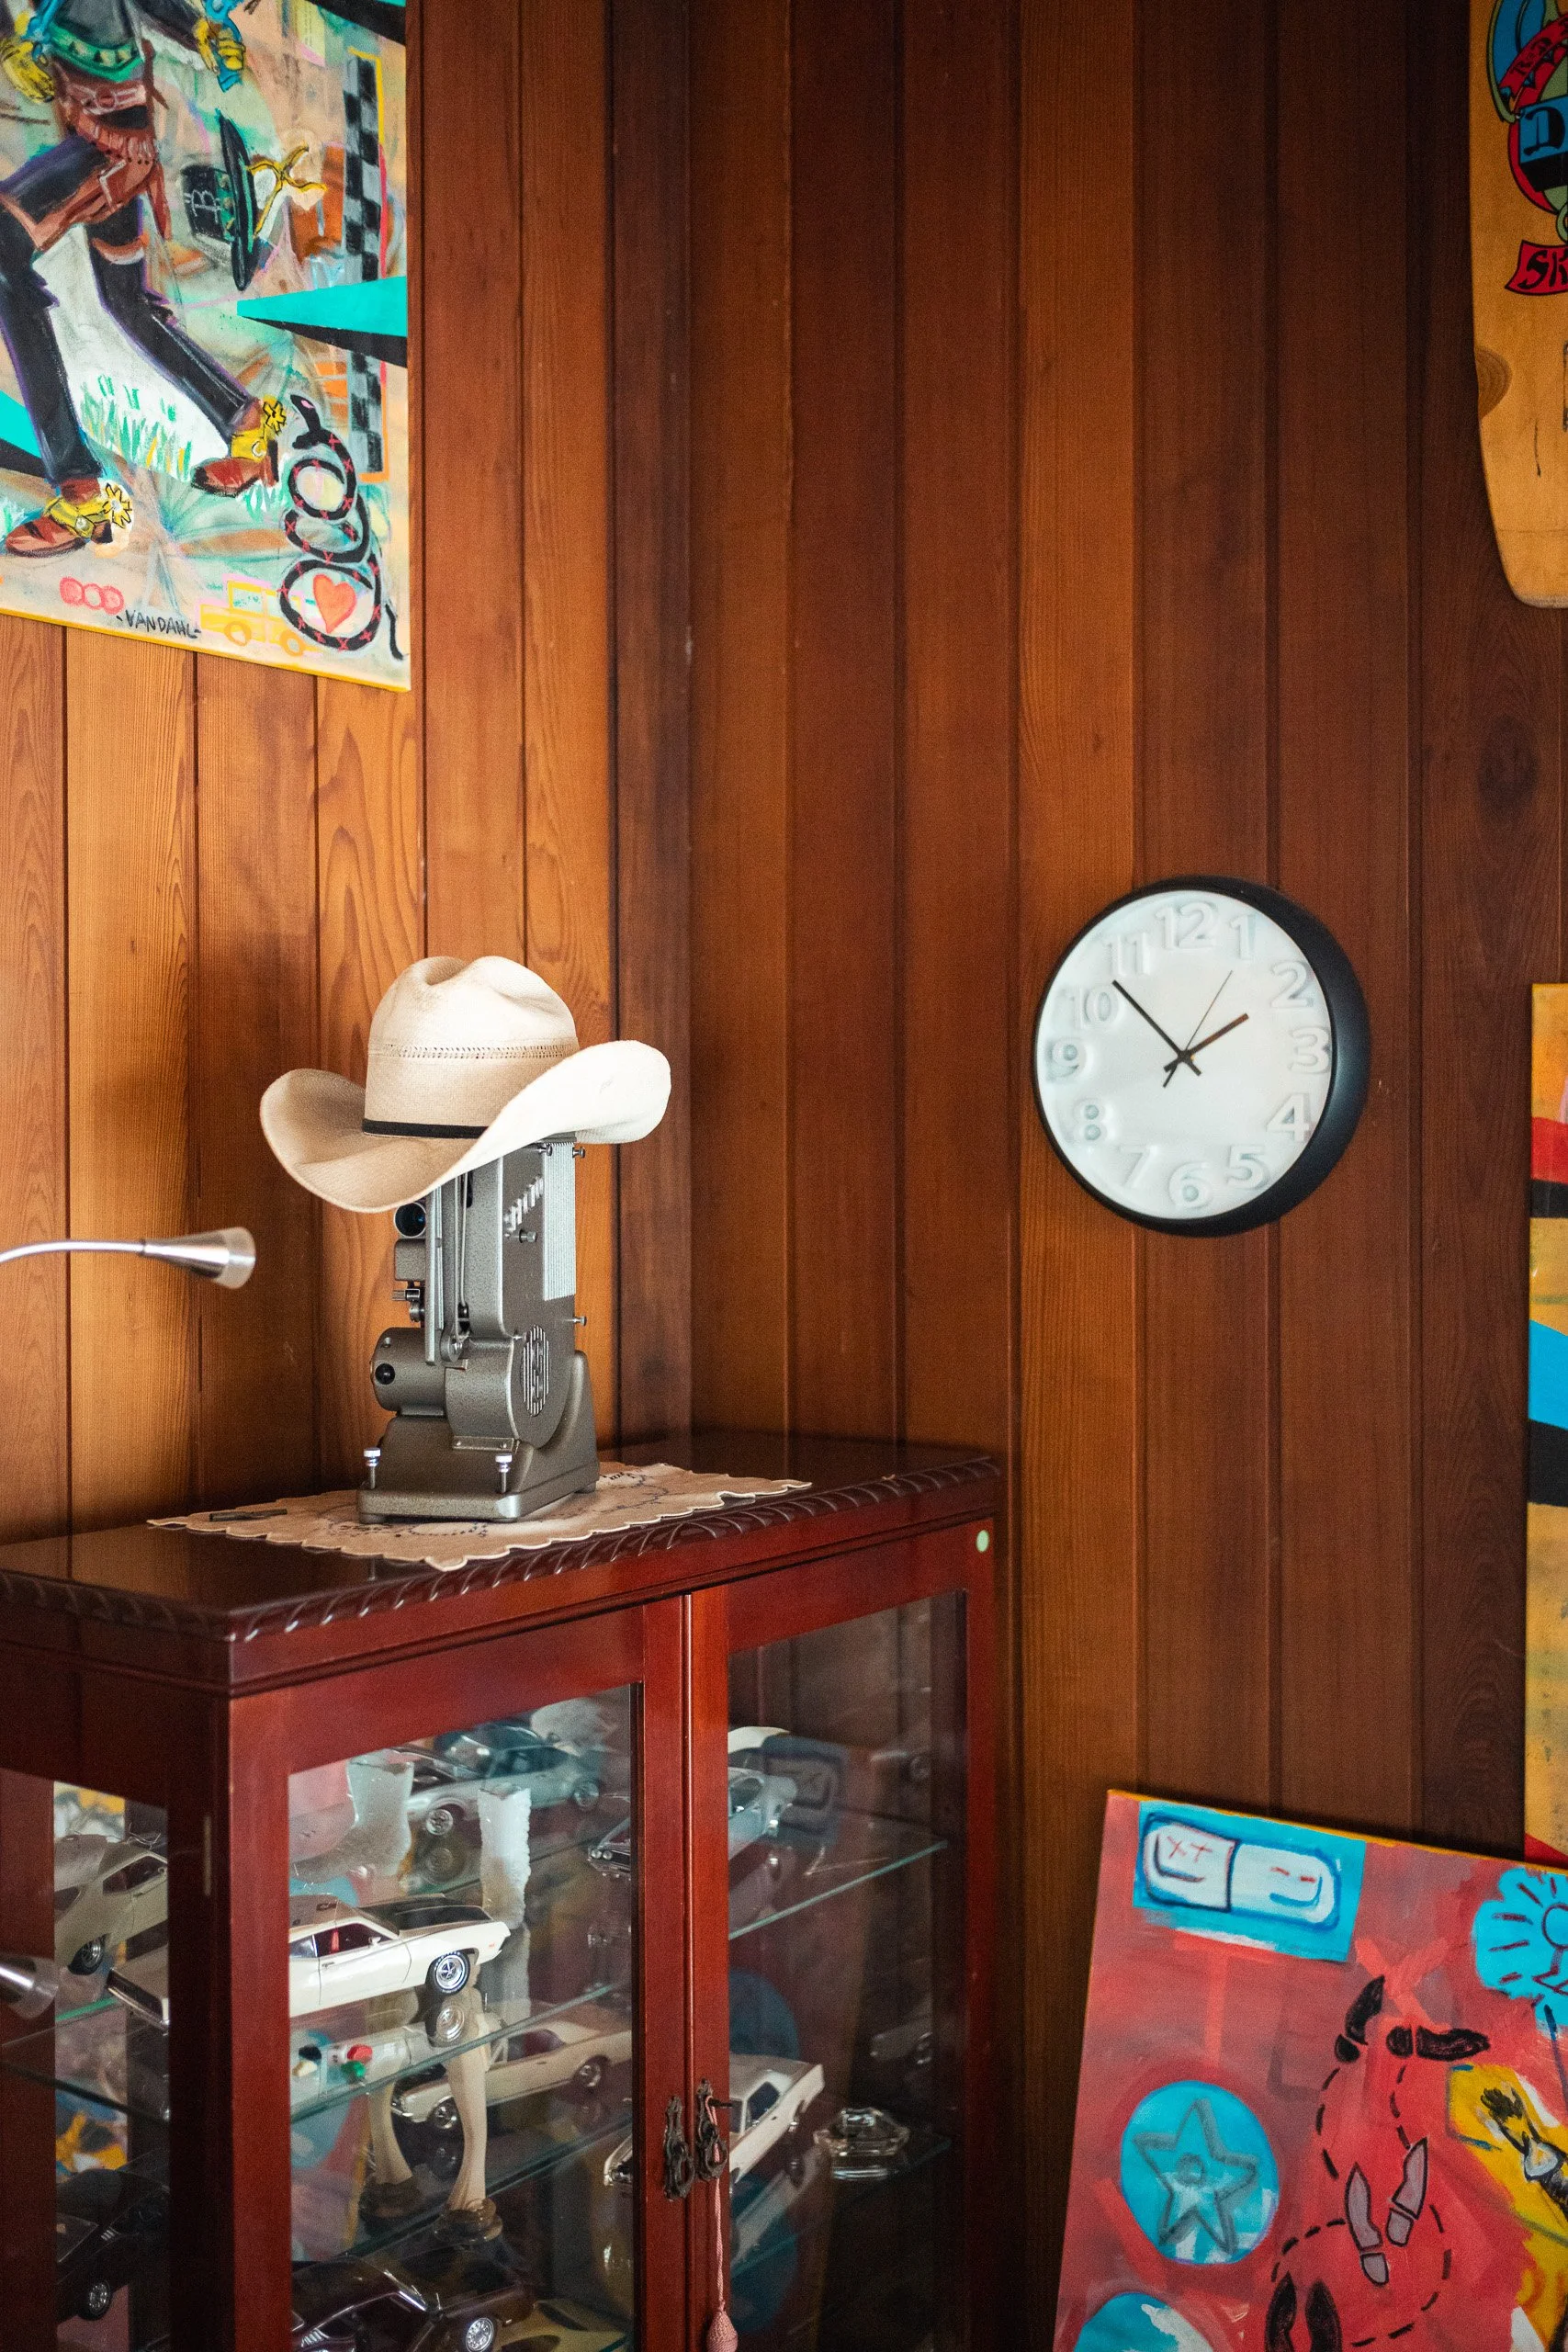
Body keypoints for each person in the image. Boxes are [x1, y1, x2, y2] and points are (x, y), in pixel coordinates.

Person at [0, 0, 285, 556]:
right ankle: (245, 420)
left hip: (110, 142)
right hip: (97, 126)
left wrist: (199, 30)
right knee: (127, 303)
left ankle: (80, 491)